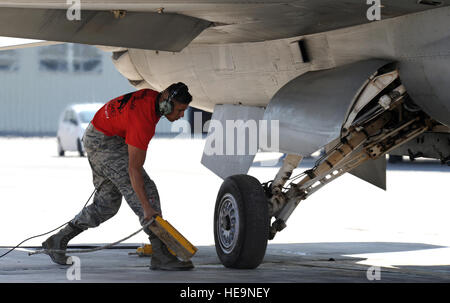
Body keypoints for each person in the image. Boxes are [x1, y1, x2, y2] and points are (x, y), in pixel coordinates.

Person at [42, 82, 194, 271]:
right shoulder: (143, 120)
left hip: (99, 135)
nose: (181, 116)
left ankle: (56, 240)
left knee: (107, 204)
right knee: (146, 191)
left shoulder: (152, 98)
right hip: (104, 142)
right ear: (167, 105)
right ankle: (161, 255)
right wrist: (147, 208)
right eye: (180, 110)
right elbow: (134, 170)